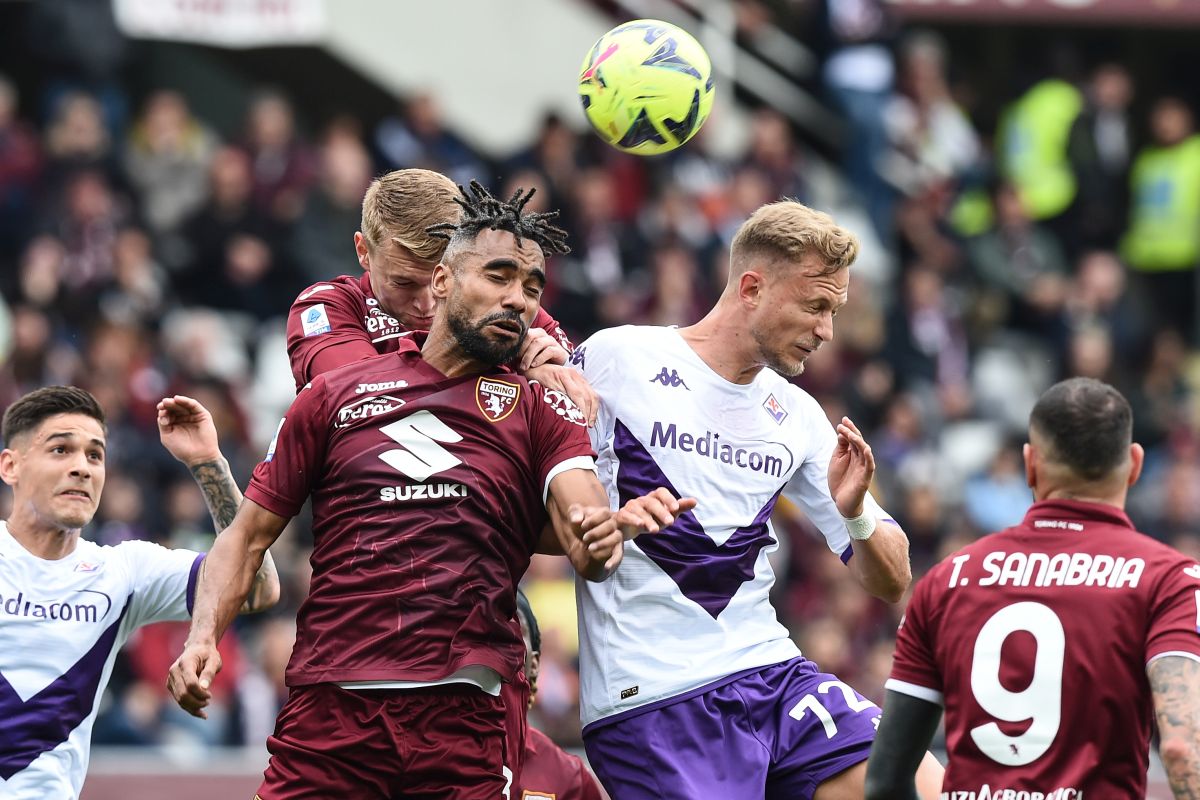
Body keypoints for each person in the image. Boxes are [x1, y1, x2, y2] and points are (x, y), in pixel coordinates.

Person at [166, 181, 694, 799]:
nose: (515, 301)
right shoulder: (332, 349)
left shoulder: (538, 391)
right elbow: (267, 518)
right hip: (330, 709)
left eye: (528, 291)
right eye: (409, 283)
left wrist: (601, 531)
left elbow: (582, 530)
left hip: (464, 712)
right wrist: (202, 637)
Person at [569, 200, 943, 799]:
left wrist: (855, 515)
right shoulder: (618, 358)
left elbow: (893, 581)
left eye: (835, 310)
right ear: (751, 287)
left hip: (770, 673)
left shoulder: (797, 414)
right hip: (654, 697)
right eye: (815, 306)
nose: (827, 331)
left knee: (921, 788)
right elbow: (548, 488)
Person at [865, 377, 1200, 799]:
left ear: (1030, 463)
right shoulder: (1168, 582)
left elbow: (885, 781)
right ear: (1134, 464)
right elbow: (1183, 748)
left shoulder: (947, 581)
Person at [0, 387, 279, 799]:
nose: (82, 467)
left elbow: (257, 586)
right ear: (11, 466)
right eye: (60, 450)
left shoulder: (123, 572)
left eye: (95, 455)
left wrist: (207, 463)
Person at [285, 167, 597, 420]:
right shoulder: (328, 306)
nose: (426, 303)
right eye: (404, 283)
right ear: (363, 251)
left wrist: (556, 370)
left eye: (440, 280)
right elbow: (362, 406)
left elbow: (582, 398)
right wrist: (510, 366)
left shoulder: (503, 304)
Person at [515, 589, 609, 800]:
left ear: (535, 664)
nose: (502, 648)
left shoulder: (569, 778)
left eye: (516, 631)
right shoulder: (432, 754)